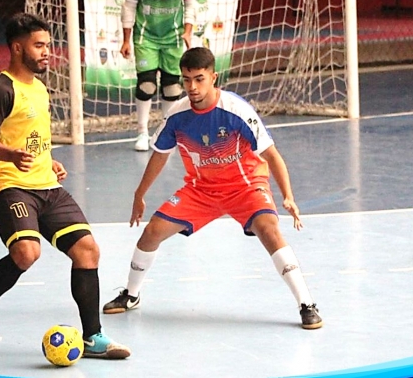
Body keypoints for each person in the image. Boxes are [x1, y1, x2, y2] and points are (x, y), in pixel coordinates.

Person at [0, 13, 131, 359]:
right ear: (18, 48)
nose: (48, 52)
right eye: (39, 45)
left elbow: (32, 138)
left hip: (46, 185)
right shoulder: (1, 89)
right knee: (26, 252)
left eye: (48, 45)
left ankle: (93, 338)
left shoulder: (40, 87)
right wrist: (10, 155)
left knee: (87, 250)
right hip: (11, 186)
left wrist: (48, 160)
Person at [103, 47, 322, 330]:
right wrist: (139, 193)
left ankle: (306, 304)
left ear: (213, 77)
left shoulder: (236, 110)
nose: (192, 87)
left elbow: (272, 155)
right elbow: (159, 154)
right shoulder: (177, 115)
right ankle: (131, 295)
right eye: (186, 80)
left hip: (245, 186)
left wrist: (288, 196)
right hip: (201, 189)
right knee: (152, 231)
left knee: (269, 229)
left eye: (199, 79)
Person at [120, 0, 196, 151]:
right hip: (146, 37)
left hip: (172, 38)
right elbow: (129, 6)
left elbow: (191, 4)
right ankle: (142, 133)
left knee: (172, 87)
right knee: (147, 84)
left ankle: (166, 131)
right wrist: (126, 40)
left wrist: (188, 32)